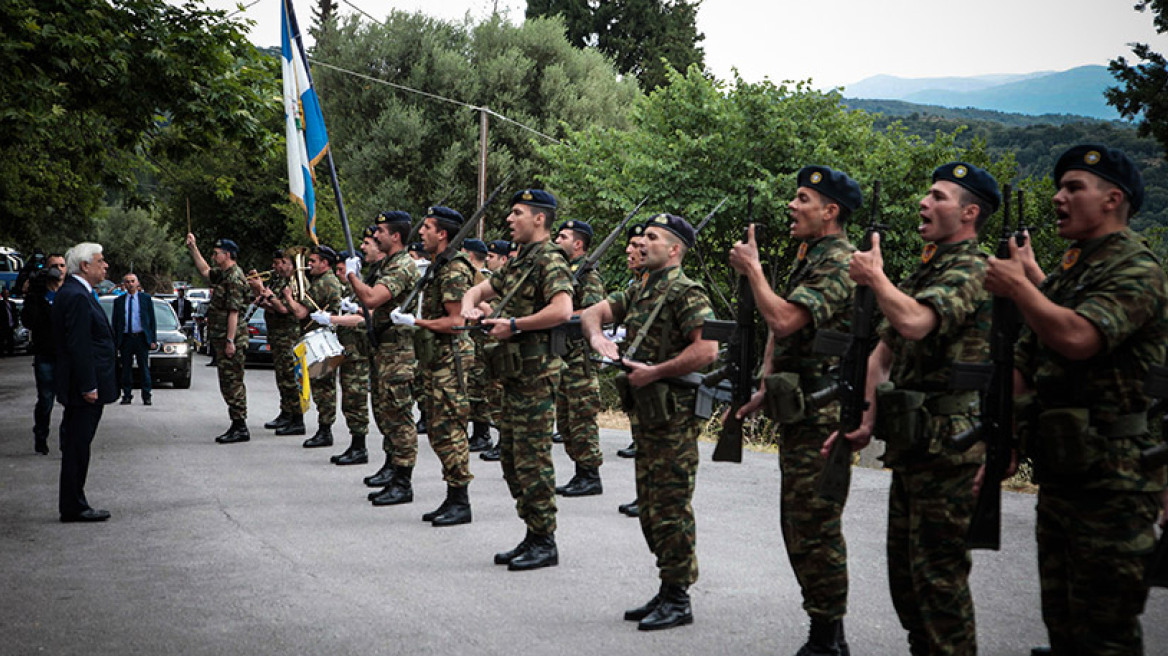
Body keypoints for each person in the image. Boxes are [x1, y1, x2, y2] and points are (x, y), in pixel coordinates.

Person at [984, 144, 1168, 655]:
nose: (1058, 198)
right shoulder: (1072, 273)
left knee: (1104, 634)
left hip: (1115, 482)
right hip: (1064, 472)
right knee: (1062, 624)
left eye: (1073, 188)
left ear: (1113, 199)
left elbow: (1079, 337)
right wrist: (1005, 438)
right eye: (1059, 187)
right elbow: (1024, 364)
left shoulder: (1137, 267)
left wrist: (1021, 288)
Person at [829, 162, 997, 655]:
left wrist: (876, 278)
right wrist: (863, 418)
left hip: (950, 447)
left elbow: (916, 323)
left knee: (939, 584)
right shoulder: (931, 267)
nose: (924, 202)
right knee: (908, 582)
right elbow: (884, 353)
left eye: (938, 196)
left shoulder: (974, 268)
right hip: (914, 443)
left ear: (969, 213)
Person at [728, 167, 861, 654]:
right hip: (799, 408)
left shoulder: (839, 261)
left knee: (815, 526)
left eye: (803, 198)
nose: (791, 204)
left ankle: (829, 636)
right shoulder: (813, 256)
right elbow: (782, 329)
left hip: (822, 414)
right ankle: (824, 629)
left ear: (830, 211)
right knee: (798, 523)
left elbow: (783, 319)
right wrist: (767, 383)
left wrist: (754, 270)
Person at [581, 213, 717, 630]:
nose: (642, 242)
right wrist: (598, 338)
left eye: (652, 237)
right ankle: (667, 585)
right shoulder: (640, 288)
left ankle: (678, 597)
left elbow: (708, 350)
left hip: (673, 416)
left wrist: (656, 372)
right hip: (648, 415)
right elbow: (591, 313)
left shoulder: (686, 291)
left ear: (674, 249)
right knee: (651, 508)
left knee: (671, 507)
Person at [461, 189, 573, 569]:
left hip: (537, 374)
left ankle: (545, 540)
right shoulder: (521, 259)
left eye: (517, 213)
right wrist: (470, 306)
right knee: (511, 457)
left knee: (532, 458)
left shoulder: (550, 260)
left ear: (539, 218)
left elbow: (563, 310)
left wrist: (514, 324)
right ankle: (532, 531)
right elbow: (480, 288)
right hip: (515, 374)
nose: (509, 219)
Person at [376, 206, 476, 526]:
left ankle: (460, 500)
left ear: (442, 234)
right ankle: (452, 497)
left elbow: (457, 322)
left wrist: (415, 322)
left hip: (451, 358)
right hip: (435, 357)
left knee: (450, 431)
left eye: (428, 227)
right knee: (436, 429)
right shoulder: (438, 265)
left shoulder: (454, 269)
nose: (421, 232)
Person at [346, 212, 420, 495]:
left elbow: (372, 299)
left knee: (399, 417)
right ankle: (392, 467)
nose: (375, 236)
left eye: (380, 231)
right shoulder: (389, 263)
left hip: (398, 353)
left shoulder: (401, 265)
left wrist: (351, 276)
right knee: (385, 413)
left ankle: (403, 481)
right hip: (384, 350)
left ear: (395, 236)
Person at [52, 242, 118, 522]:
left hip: (81, 385)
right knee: (77, 446)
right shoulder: (77, 296)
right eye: (100, 261)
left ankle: (74, 501)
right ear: (84, 266)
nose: (105, 265)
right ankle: (73, 505)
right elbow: (79, 345)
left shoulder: (78, 292)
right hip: (83, 388)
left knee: (77, 444)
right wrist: (88, 385)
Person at [552, 219, 606, 497]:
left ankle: (590, 475)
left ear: (578, 244)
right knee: (565, 420)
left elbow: (594, 311)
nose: (556, 241)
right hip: (563, 355)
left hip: (580, 358)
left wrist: (560, 315)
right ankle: (580, 472)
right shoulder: (563, 272)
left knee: (581, 419)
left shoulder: (589, 275)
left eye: (562, 237)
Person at [186, 234, 251, 443]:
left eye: (216, 254)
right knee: (227, 382)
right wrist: (193, 248)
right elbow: (205, 271)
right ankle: (237, 423)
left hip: (231, 339)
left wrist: (230, 341)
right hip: (222, 338)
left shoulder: (234, 278)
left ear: (227, 255)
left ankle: (240, 426)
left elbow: (234, 312)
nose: (213, 257)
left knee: (233, 383)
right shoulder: (224, 274)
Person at [283, 245, 344, 448]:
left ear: (325, 263)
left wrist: (288, 298)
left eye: (313, 261)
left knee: (323, 388)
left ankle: (325, 430)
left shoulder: (324, 283)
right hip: (321, 338)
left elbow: (301, 313)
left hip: (322, 340)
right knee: (321, 386)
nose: (309, 265)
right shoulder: (323, 281)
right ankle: (324, 428)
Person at [250, 249, 307, 436]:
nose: (275, 267)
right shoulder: (279, 281)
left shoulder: (295, 282)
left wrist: (265, 292)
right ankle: (286, 412)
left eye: (278, 263)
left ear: (287, 263)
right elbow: (274, 307)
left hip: (289, 336)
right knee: (282, 377)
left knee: (290, 377)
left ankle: (297, 418)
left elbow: (284, 309)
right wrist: (262, 296)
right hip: (277, 335)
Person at [22, 253, 66, 454]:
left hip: (67, 355)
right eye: (54, 266)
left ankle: (67, 440)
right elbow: (29, 321)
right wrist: (31, 293)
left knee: (70, 401)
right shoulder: (38, 295)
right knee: (46, 399)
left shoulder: (70, 292)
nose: (59, 270)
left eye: (62, 265)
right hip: (46, 354)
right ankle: (41, 436)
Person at [618, 223, 648, 518]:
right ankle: (645, 495)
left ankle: (650, 497)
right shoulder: (636, 286)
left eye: (638, 245)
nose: (631, 251)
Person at [477, 239, 512, 462]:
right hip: (489, 346)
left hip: (502, 346)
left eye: (492, 256)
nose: (487, 260)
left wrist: (482, 306)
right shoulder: (492, 281)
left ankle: (504, 442)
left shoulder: (509, 283)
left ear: (503, 259)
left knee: (500, 395)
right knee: (490, 394)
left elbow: (500, 314)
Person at [461, 238, 494, 452]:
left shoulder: (484, 279)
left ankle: (484, 434)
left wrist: (477, 303)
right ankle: (479, 433)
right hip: (476, 339)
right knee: (475, 386)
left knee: (483, 388)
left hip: (487, 340)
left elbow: (492, 309)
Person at [112, 273, 157, 405]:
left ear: (137, 283)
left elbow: (151, 320)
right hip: (126, 338)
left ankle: (146, 395)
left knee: (144, 367)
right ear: (124, 285)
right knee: (126, 368)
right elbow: (115, 322)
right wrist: (116, 340)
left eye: (132, 281)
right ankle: (126, 395)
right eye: (127, 282)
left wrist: (153, 339)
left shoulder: (145, 299)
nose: (130, 284)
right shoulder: (119, 301)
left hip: (141, 338)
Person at [0, 288, 16, 356]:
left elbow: (14, 313)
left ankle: (10, 351)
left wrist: (15, 322)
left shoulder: (12, 304)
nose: (7, 295)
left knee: (10, 339)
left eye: (7, 293)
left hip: (11, 324)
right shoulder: (1, 304)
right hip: (3, 325)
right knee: (2, 339)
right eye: (5, 294)